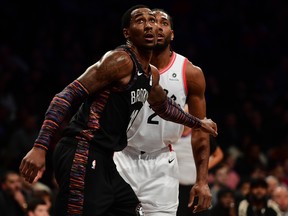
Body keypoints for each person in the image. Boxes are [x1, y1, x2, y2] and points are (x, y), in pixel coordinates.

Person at [19, 5, 217, 216]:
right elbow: (64, 97)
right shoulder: (120, 60)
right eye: (140, 21)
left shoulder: (151, 73)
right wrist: (40, 147)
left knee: (128, 208)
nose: (150, 26)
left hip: (105, 156)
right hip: (83, 148)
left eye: (152, 20)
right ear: (127, 33)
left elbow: (164, 107)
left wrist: (197, 122)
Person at [113, 8, 213, 216]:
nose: (156, 26)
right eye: (151, 21)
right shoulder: (123, 64)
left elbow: (200, 131)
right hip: (121, 155)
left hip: (161, 162)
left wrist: (202, 180)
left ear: (172, 34)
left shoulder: (190, 73)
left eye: (163, 23)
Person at [174, 106, 224, 216]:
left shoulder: (200, 134)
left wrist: (202, 168)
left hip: (197, 185)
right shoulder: (172, 135)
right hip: (176, 187)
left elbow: (218, 155)